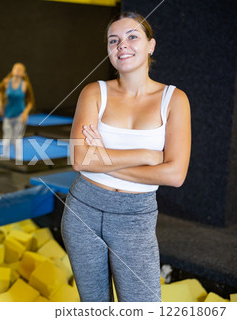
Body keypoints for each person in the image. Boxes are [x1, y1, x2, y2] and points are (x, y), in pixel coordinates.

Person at [62, 12, 191, 302]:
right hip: (83, 210)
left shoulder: (175, 99)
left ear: (151, 45)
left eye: (133, 36)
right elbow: (81, 160)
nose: (123, 45)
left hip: (135, 217)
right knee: (95, 305)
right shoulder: (94, 92)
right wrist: (147, 155)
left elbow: (175, 174)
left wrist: (103, 159)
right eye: (114, 40)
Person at [0, 63, 34, 160]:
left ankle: (19, 161)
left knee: (17, 140)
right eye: (16, 68)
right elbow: (0, 93)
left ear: (23, 74)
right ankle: (4, 160)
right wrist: (0, 104)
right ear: (12, 71)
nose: (18, 70)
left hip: (19, 115)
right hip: (8, 115)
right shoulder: (6, 82)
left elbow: (31, 101)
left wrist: (25, 112)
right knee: (6, 140)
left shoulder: (25, 85)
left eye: (20, 69)